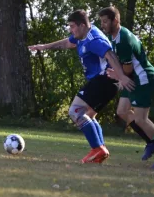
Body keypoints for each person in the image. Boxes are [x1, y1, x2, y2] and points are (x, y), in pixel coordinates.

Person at [29, 10, 134, 164]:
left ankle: (98, 149)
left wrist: (122, 77)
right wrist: (44, 47)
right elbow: (67, 42)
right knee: (89, 115)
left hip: (104, 80)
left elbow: (110, 55)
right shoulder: (82, 36)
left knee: (75, 111)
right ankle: (100, 150)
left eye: (72, 26)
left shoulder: (94, 40)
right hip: (104, 81)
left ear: (82, 25)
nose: (71, 30)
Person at [98, 6, 154, 169]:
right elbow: (125, 67)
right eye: (101, 22)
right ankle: (151, 142)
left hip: (142, 77)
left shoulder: (123, 39)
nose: (102, 25)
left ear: (115, 20)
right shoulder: (116, 36)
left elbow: (128, 68)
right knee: (122, 111)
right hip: (133, 77)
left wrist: (119, 76)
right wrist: (120, 75)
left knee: (141, 118)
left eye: (105, 21)